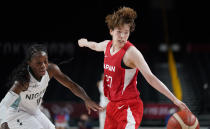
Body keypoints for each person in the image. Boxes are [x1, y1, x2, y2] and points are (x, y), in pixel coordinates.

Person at [78, 7, 190, 129]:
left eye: (126, 32)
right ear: (111, 31)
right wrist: (85, 43)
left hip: (129, 107)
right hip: (112, 106)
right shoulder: (107, 45)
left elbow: (151, 78)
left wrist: (174, 100)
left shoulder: (132, 53)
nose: (122, 36)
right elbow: (95, 46)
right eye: (119, 32)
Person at [0, 44, 103, 129]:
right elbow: (4, 104)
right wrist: (3, 123)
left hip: (34, 111)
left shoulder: (51, 69)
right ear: (29, 63)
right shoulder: (23, 80)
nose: (43, 66)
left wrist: (86, 99)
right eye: (38, 63)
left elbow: (71, 85)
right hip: (17, 114)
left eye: (45, 61)